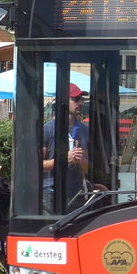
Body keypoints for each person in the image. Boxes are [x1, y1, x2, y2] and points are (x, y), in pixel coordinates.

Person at [42, 83, 89, 211]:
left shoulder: (84, 130)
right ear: (63, 101)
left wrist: (81, 161)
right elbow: (36, 166)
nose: (80, 102)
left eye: (81, 99)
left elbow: (88, 169)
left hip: (76, 194)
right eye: (76, 99)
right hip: (51, 194)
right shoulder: (48, 129)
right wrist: (63, 160)